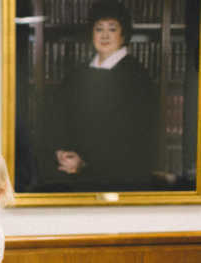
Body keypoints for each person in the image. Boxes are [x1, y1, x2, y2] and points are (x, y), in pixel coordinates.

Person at [46, 0, 157, 190]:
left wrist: (85, 162)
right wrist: (61, 151)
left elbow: (133, 136)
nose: (105, 35)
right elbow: (58, 117)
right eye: (99, 29)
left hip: (119, 177)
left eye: (112, 29)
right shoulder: (78, 74)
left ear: (123, 35)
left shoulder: (137, 77)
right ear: (92, 34)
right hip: (71, 173)